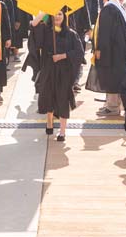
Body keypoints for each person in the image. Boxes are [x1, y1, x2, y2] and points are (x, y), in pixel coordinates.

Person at [28, 9, 84, 142]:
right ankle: (49, 122)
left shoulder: (71, 34)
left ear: (64, 16)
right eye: (55, 14)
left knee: (63, 98)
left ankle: (62, 131)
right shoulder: (46, 31)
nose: (58, 16)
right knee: (49, 95)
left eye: (60, 14)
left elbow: (79, 53)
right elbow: (33, 25)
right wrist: (44, 10)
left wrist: (62, 56)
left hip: (64, 71)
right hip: (48, 68)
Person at [90, 0, 126, 117]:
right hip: (116, 51)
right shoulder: (116, 6)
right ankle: (110, 105)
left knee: (112, 77)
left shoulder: (109, 9)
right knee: (113, 77)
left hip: (111, 52)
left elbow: (104, 34)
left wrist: (99, 50)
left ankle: (113, 107)